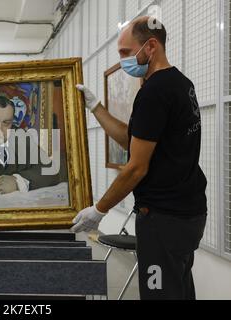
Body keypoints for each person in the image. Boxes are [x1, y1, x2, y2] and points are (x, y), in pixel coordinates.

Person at [73, 16, 207, 300]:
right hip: (188, 214)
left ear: (151, 46)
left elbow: (136, 167)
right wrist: (96, 107)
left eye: (125, 51)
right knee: (180, 289)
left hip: (163, 219)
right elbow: (133, 142)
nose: (122, 60)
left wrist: (99, 209)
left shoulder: (155, 92)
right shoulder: (181, 84)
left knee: (160, 294)